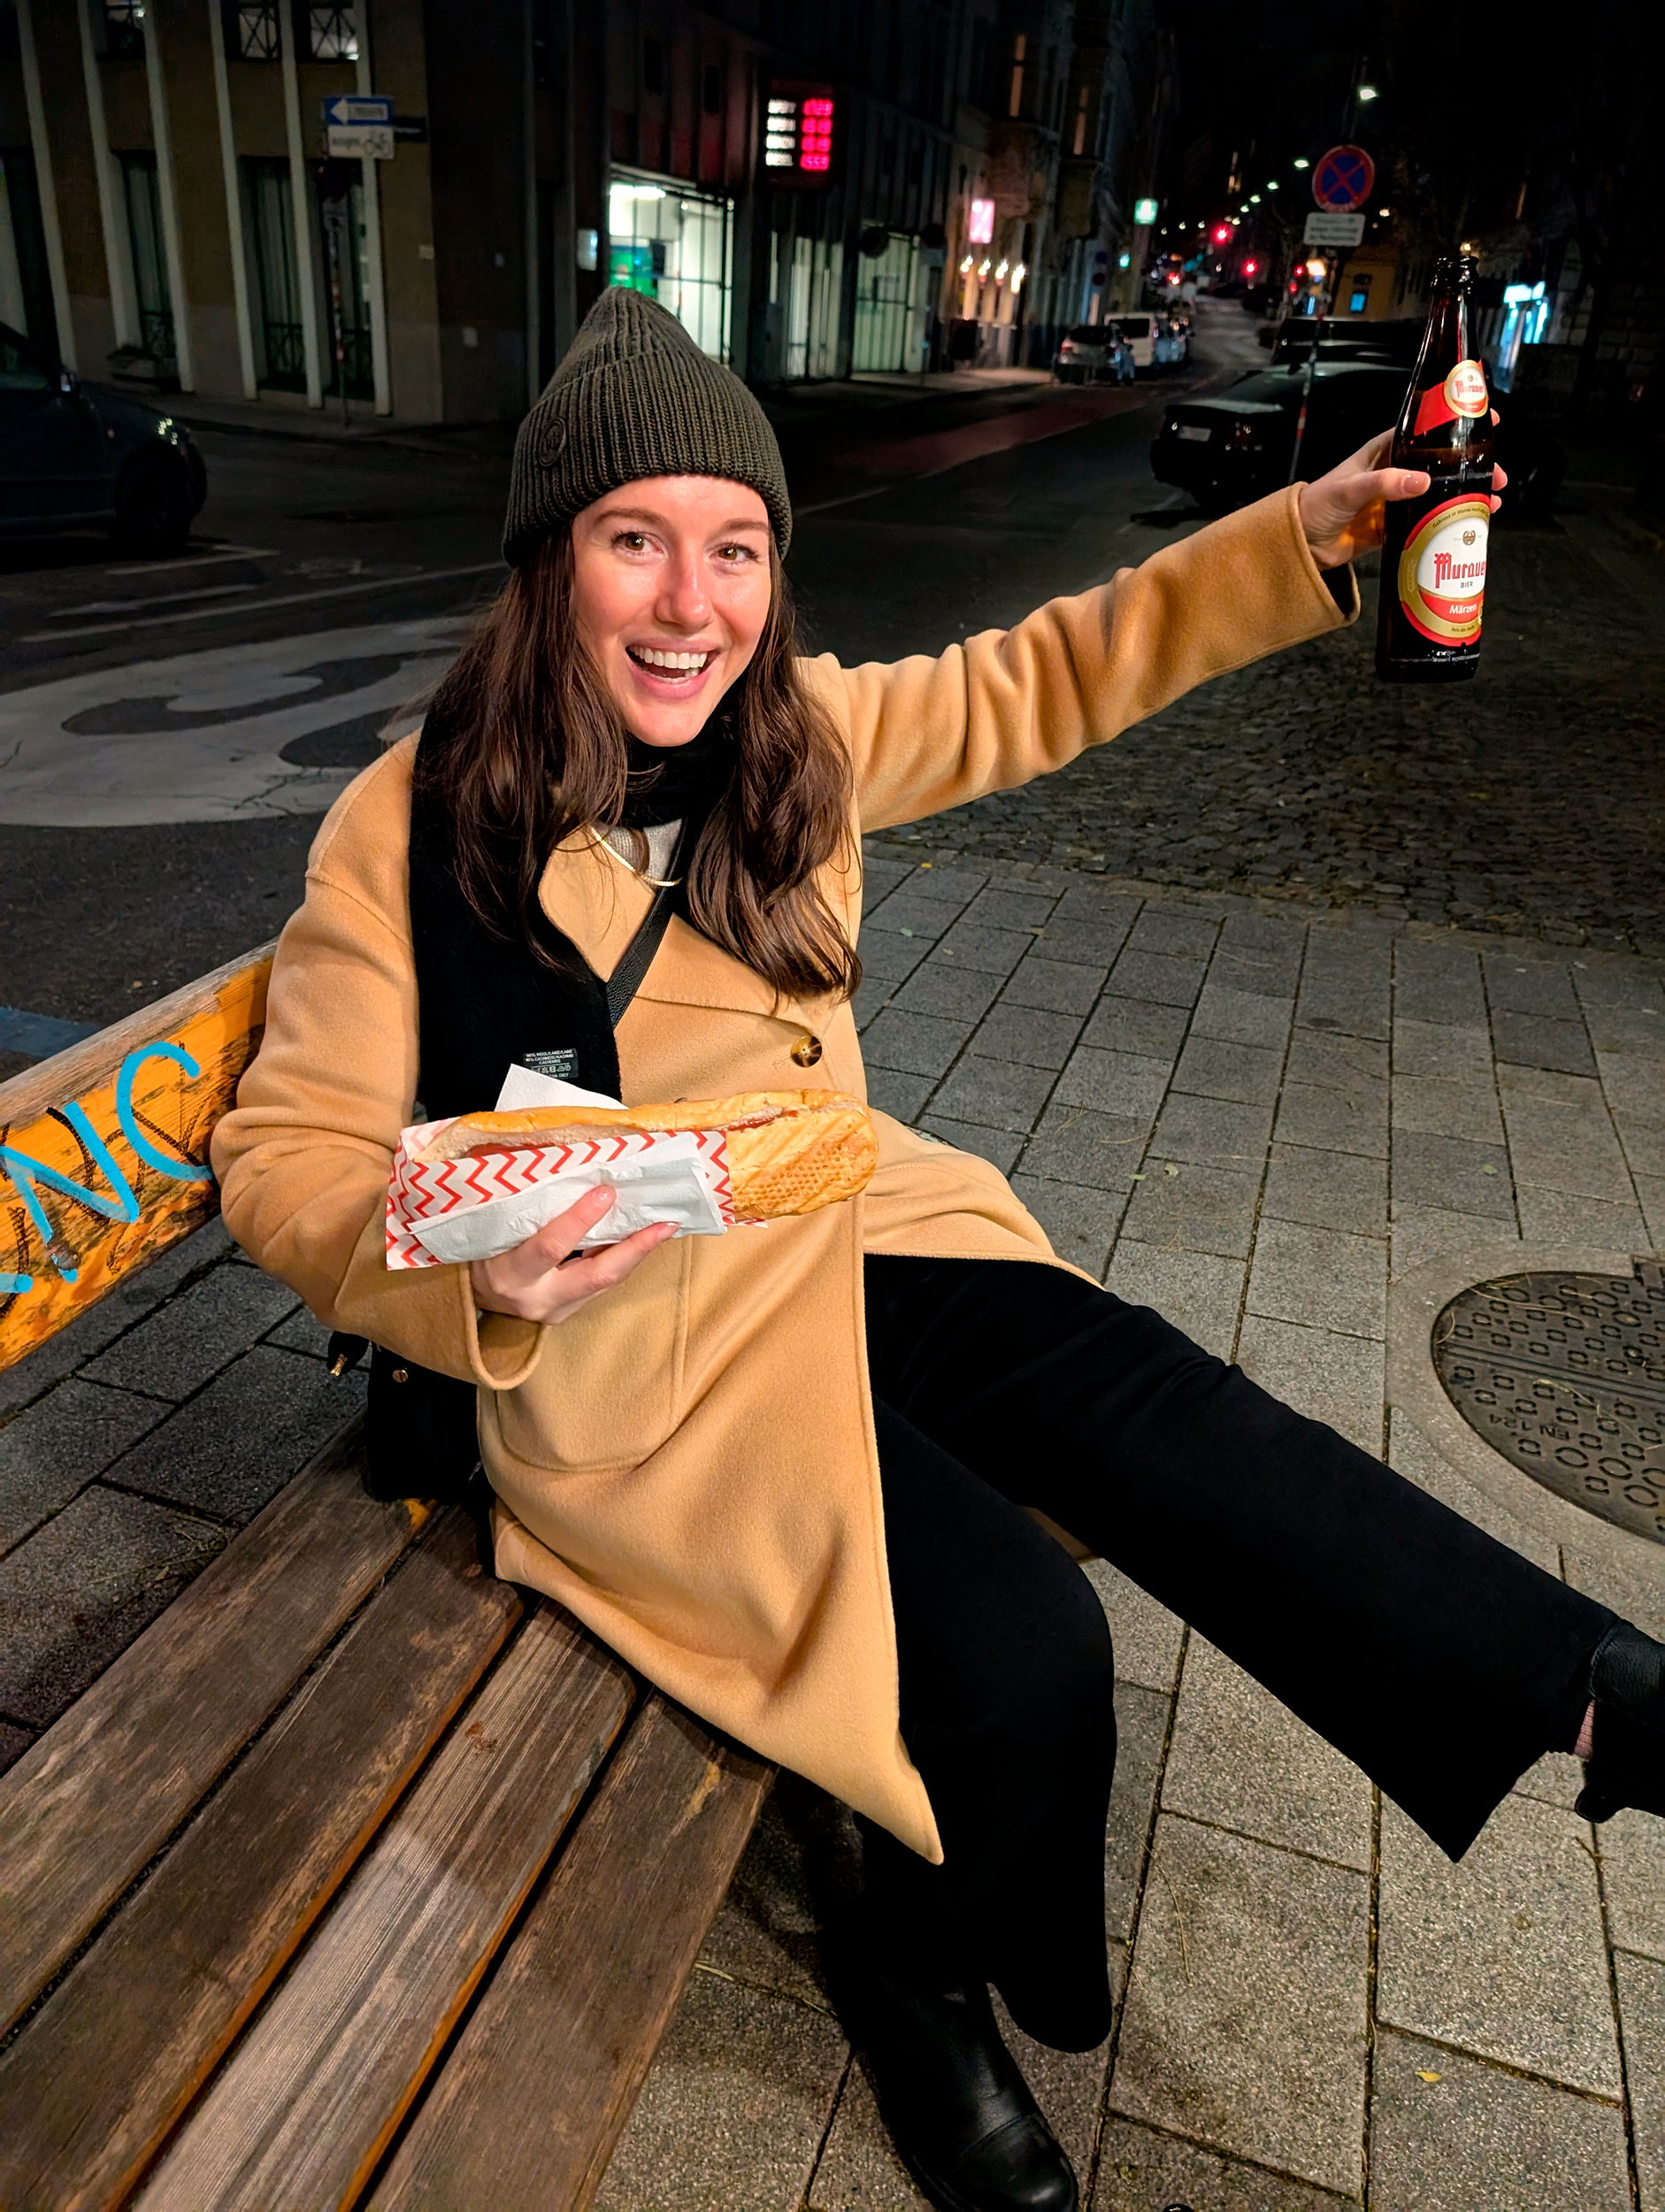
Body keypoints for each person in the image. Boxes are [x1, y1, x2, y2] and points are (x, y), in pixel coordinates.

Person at [213, 292, 1664, 2212]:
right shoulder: (406, 826)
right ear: (546, 561)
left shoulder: (790, 739)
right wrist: (455, 1280)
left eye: (733, 547)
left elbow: (1046, 671)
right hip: (636, 1355)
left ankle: (1588, 1686)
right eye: (632, 538)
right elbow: (286, 1151)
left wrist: (1297, 543)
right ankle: (915, 1963)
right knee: (1021, 1649)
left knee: (1152, 1400)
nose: (688, 601)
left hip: (838, 1217)